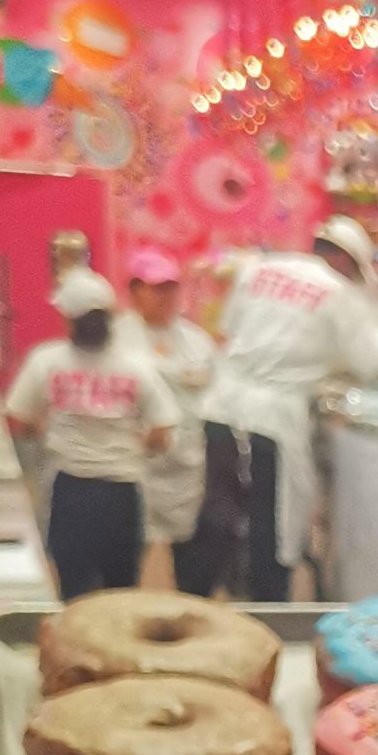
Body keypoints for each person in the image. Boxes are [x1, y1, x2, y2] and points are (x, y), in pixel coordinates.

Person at [177, 214, 378, 601]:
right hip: (273, 424)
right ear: (345, 260)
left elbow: (230, 332)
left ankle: (192, 605)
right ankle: (271, 614)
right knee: (274, 527)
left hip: (221, 410)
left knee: (217, 517)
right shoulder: (338, 292)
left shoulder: (257, 270)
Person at [4, 270, 177, 600]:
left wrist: (43, 431)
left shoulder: (47, 361)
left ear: (68, 318)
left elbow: (16, 419)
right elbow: (163, 431)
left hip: (70, 489)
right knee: (122, 594)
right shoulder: (136, 366)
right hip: (123, 493)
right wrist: (134, 445)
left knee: (74, 593)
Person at [121, 245, 218, 578]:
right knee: (130, 555)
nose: (165, 296)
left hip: (187, 468)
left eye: (170, 287)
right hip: (136, 464)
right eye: (156, 288)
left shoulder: (197, 341)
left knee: (191, 557)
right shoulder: (117, 339)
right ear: (135, 290)